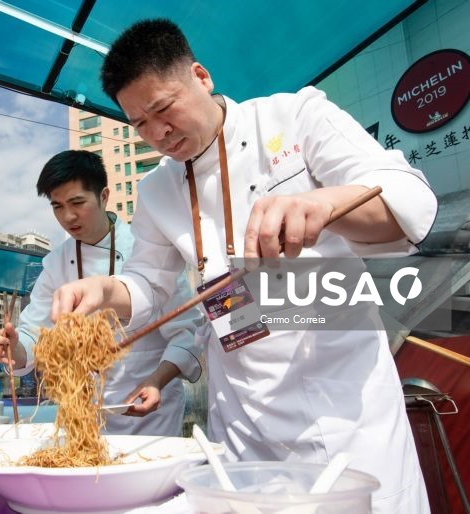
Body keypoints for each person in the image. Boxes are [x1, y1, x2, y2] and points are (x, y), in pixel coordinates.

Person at [50, 19, 436, 512]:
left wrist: (327, 204)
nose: (158, 134)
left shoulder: (294, 116)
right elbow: (146, 284)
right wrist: (106, 291)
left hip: (343, 406)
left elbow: (410, 201)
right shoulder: (156, 189)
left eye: (164, 109)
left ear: (201, 75)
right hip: (242, 416)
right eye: (139, 124)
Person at [0, 150, 205, 435]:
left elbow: (187, 330)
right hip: (83, 410)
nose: (68, 216)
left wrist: (158, 380)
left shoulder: (147, 248)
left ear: (103, 196)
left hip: (148, 408)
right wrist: (11, 346)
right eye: (57, 206)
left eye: (77, 202)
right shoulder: (56, 262)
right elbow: (33, 334)